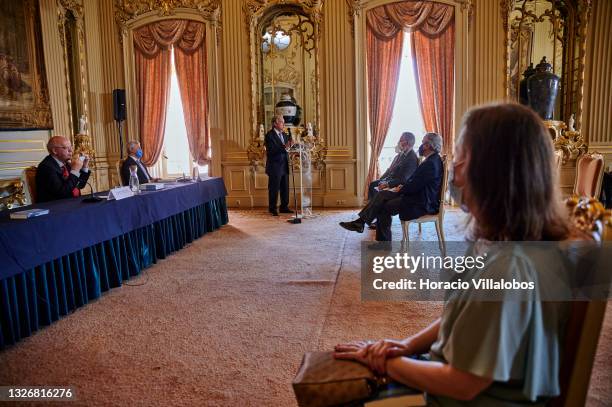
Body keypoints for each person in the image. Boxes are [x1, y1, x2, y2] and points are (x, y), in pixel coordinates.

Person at [334, 103, 575, 405]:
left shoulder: (508, 268)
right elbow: (462, 314)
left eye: (462, 157)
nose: (456, 172)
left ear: (492, 171)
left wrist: (383, 361)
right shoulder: (511, 245)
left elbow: (463, 383)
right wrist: (405, 346)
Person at [340, 132, 443, 241]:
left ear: (429, 145)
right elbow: (414, 182)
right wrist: (401, 187)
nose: (421, 146)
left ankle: (368, 231)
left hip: (421, 204)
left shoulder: (430, 163)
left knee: (383, 205)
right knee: (383, 198)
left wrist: (400, 189)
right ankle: (362, 224)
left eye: (423, 143)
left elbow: (414, 186)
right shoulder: (432, 160)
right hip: (418, 198)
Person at [339, 132, 418, 232]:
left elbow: (403, 179)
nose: (399, 142)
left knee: (380, 193)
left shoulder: (411, 158)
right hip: (392, 181)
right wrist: (382, 180)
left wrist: (387, 184)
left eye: (401, 140)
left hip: (399, 187)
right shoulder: (403, 155)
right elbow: (391, 170)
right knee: (373, 185)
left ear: (407, 142)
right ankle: (371, 218)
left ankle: (361, 222)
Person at [35, 136, 91, 202]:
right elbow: (63, 193)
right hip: (55, 207)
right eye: (66, 148)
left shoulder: (66, 163)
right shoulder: (46, 167)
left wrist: (84, 167)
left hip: (72, 203)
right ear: (55, 150)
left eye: (71, 147)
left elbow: (79, 185)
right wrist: (75, 170)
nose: (71, 150)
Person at [265, 115, 293, 216]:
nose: (283, 124)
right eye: (281, 122)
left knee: (285, 187)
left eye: (283, 122)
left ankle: (284, 207)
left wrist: (291, 146)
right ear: (275, 123)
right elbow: (271, 151)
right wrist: (284, 147)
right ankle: (272, 208)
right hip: (274, 166)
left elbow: (286, 149)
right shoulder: (269, 135)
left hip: (284, 165)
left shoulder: (285, 135)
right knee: (274, 188)